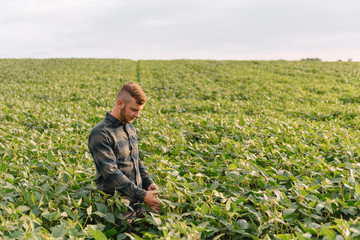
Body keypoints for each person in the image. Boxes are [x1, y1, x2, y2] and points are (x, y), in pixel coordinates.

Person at [88, 82, 160, 217]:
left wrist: (147, 181)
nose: (137, 115)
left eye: (139, 111)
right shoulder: (101, 133)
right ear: (120, 103)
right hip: (116, 208)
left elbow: (135, 160)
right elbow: (111, 173)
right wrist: (143, 195)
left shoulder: (129, 127)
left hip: (137, 202)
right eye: (134, 110)